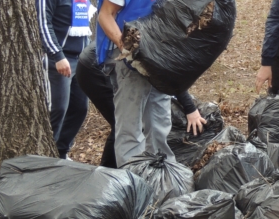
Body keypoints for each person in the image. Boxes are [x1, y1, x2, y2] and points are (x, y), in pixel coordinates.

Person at [95, 0, 205, 167]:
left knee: (158, 120)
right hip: (130, 60)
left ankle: (162, 178)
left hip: (159, 58)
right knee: (131, 126)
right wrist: (129, 49)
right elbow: (105, 16)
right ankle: (135, 186)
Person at [75, 43, 206, 168]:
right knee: (125, 123)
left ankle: (123, 171)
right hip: (94, 69)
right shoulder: (163, 44)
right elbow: (170, 75)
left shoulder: (168, 45)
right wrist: (190, 108)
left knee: (132, 123)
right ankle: (110, 174)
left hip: (117, 62)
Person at [34, 0, 92, 160]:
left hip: (80, 59)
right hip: (58, 60)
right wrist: (57, 56)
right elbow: (42, 23)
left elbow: (83, 20)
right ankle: (46, 158)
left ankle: (61, 152)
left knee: (80, 108)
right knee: (57, 109)